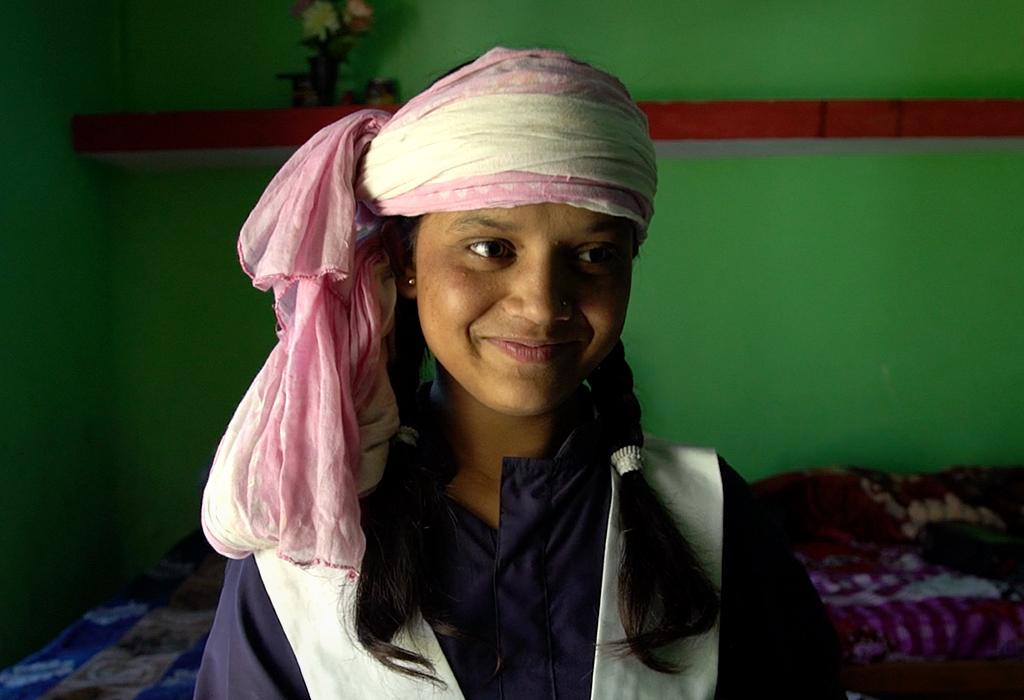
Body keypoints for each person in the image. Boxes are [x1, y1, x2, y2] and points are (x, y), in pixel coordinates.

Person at [194, 47, 845, 699]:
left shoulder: (711, 512)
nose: (541, 303)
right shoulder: (305, 534)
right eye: (490, 249)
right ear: (407, 262)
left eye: (593, 255)